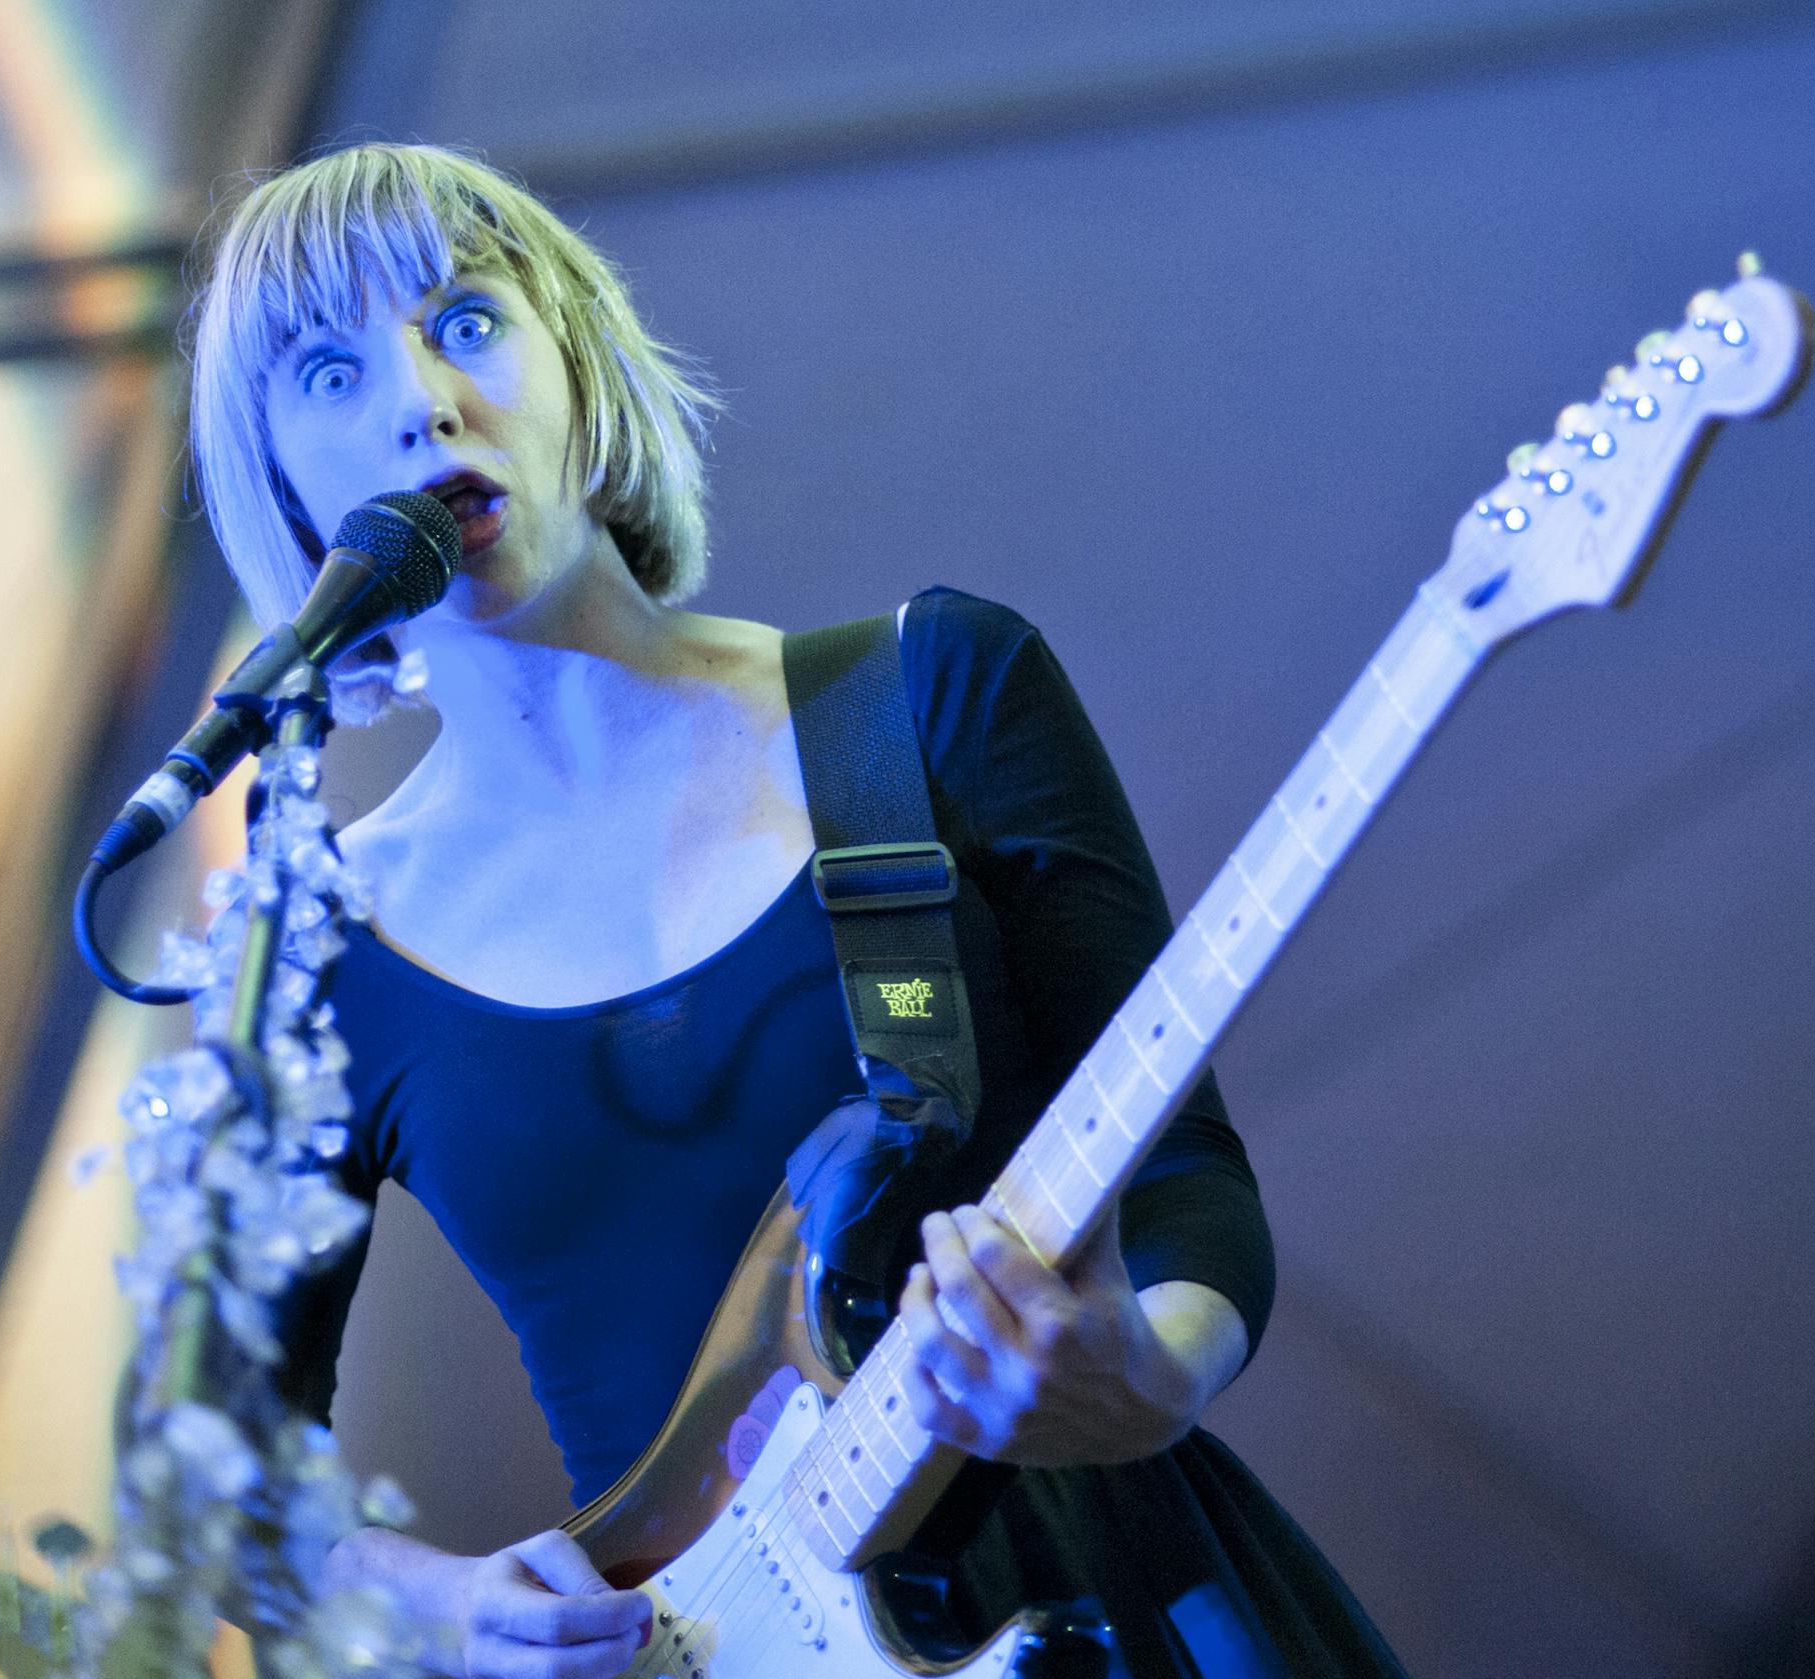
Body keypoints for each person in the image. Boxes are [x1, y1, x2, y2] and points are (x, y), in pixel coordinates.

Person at [188, 141, 1408, 1679]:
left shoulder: (924, 701)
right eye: (328, 371)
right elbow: (222, 1461)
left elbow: (1178, 1166)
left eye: (469, 322)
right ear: (283, 484)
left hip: (1116, 1591)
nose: (420, 401)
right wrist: (436, 1606)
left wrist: (1144, 1377)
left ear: (578, 362)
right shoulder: (312, 950)